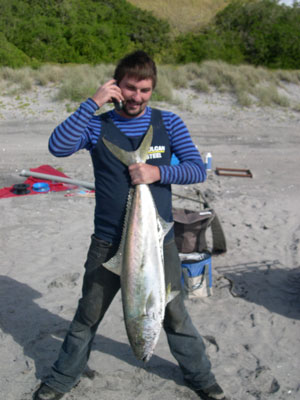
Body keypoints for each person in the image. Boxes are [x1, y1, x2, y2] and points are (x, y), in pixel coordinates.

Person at [33, 51, 227, 400]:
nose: (137, 97)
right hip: (107, 242)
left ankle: (201, 377)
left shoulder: (168, 124)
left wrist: (157, 172)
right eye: (130, 88)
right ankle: (62, 379)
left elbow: (197, 169)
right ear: (116, 86)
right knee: (87, 316)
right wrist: (91, 103)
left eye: (145, 90)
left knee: (175, 314)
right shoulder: (96, 124)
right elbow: (57, 147)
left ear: (152, 90)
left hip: (158, 241)